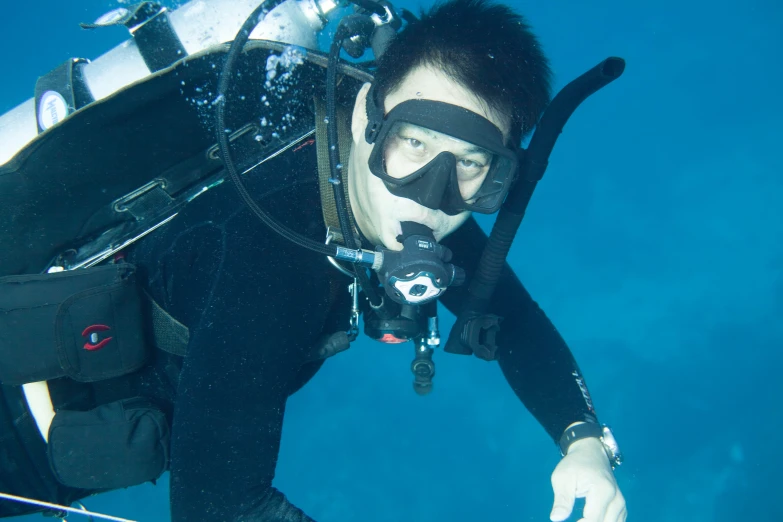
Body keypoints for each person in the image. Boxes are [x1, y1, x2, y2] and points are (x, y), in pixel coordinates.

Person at [0, 0, 627, 520]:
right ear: (363, 119)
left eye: (469, 164)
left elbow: (513, 320)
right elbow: (218, 506)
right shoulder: (271, 259)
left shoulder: (394, 192)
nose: (430, 199)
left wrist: (583, 441)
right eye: (414, 140)